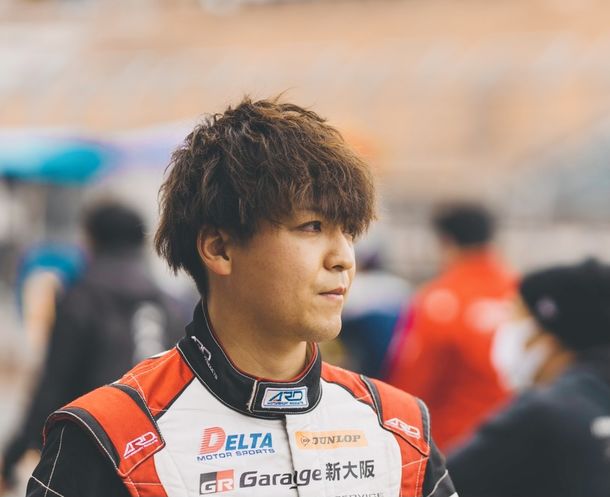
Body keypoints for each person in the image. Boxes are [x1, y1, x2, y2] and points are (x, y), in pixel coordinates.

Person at [25, 97, 458, 497]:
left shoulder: (398, 429)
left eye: (348, 231)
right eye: (312, 227)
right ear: (219, 248)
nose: (344, 258)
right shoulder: (108, 437)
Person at [1, 201, 184, 493]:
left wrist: (14, 454)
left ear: (91, 240)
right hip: (160, 458)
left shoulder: (81, 298)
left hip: (94, 445)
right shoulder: (170, 304)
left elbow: (54, 384)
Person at [447, 258, 610, 497]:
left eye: (516, 319)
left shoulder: (544, 414)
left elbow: (438, 485)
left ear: (549, 337)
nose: (505, 334)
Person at [385, 203, 515, 450]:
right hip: (517, 435)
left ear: (446, 242)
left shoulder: (440, 299)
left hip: (456, 442)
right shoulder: (520, 293)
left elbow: (414, 381)